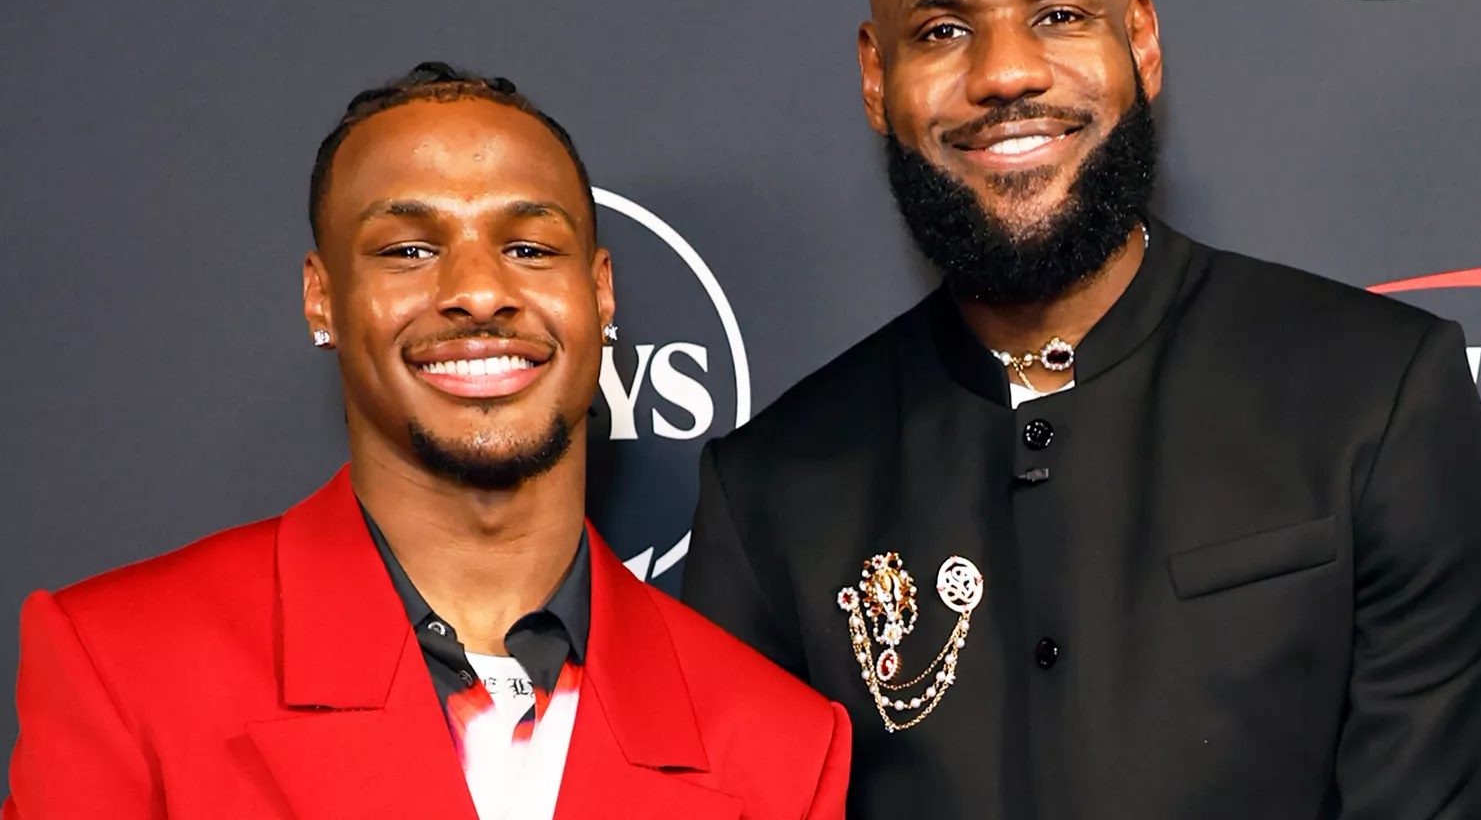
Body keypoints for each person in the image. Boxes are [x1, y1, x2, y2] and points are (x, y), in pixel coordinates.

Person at [681, 0, 1481, 820]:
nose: (1006, 74)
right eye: (942, 31)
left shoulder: (1378, 398)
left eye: (1058, 14)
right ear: (875, 77)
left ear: (1141, 42)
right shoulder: (773, 487)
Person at [4, 62, 851, 819]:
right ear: (322, 298)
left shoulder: (781, 743)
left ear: (599, 293)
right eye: (408, 249)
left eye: (528, 246)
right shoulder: (122, 665)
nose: (480, 292)